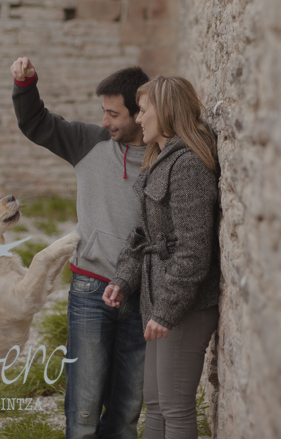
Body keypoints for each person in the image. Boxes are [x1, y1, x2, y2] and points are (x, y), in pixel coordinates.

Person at [10, 56, 149, 439]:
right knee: (84, 410)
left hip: (141, 298)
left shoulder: (164, 157)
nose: (104, 121)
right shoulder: (90, 142)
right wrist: (26, 85)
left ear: (141, 113)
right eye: (102, 112)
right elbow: (36, 123)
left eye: (112, 113)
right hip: (90, 291)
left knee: (126, 413)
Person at [102, 76, 220, 439]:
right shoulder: (160, 159)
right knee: (154, 404)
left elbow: (194, 250)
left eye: (142, 109)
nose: (138, 119)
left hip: (185, 307)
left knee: (175, 408)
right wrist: (124, 278)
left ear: (165, 110)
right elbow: (144, 236)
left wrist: (166, 311)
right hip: (159, 302)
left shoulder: (188, 166)